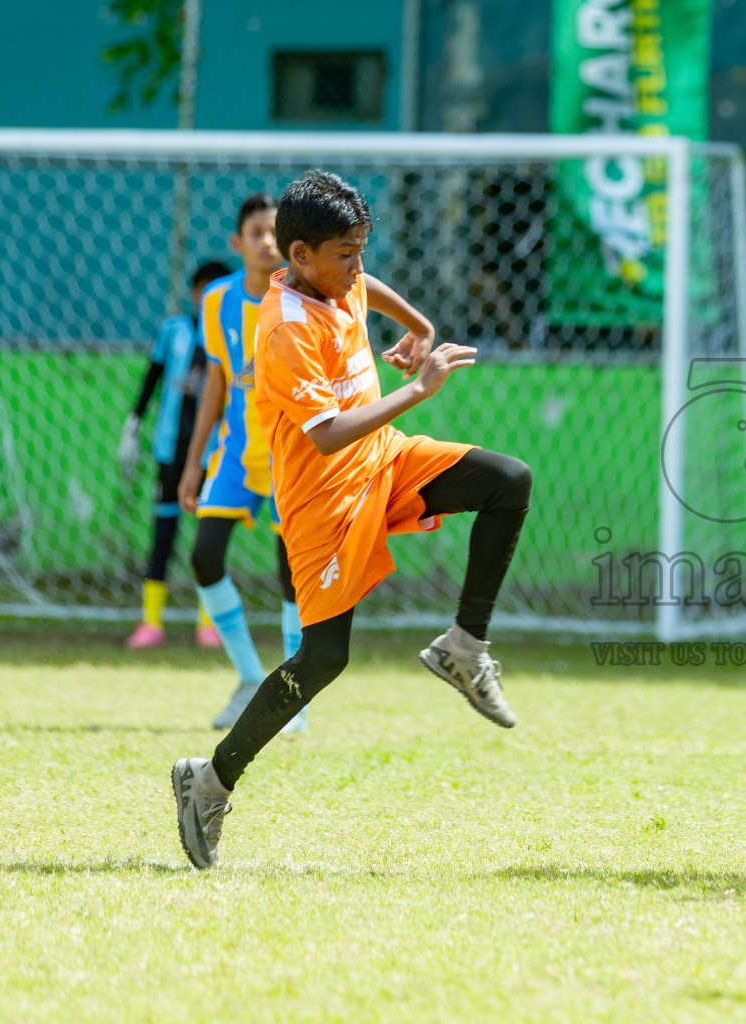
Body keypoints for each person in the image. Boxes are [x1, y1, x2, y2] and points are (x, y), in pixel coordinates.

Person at [172, 169, 532, 869]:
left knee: (506, 481)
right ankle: (208, 782)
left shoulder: (339, 278)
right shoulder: (282, 331)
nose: (359, 266)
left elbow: (371, 290)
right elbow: (329, 434)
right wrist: (421, 389)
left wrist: (420, 327)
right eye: (346, 252)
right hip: (322, 502)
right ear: (298, 255)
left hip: (385, 463)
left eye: (363, 248)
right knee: (324, 658)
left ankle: (464, 647)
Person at [177, 194, 304, 732]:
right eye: (256, 232)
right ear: (238, 243)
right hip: (233, 455)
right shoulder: (217, 300)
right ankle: (252, 676)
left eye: (275, 231)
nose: (266, 241)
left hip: (289, 456)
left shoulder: (303, 300)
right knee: (205, 557)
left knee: (291, 577)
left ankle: (292, 696)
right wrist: (191, 465)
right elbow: (215, 381)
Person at [118, 260, 231, 648]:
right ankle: (151, 621)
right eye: (204, 290)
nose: (210, 298)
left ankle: (208, 624)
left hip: (213, 454)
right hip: (171, 451)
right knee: (163, 535)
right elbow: (151, 378)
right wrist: (133, 423)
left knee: (208, 542)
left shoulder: (233, 334)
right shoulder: (174, 331)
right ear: (194, 293)